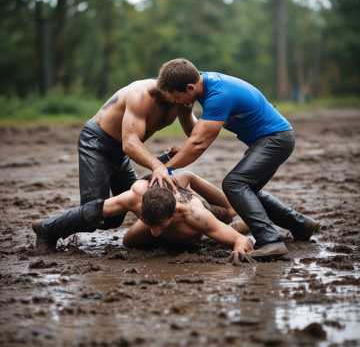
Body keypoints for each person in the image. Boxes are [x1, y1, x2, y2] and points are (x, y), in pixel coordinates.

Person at [152, 58, 320, 255]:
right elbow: (195, 135)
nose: (175, 103)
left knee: (234, 184)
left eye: (176, 98)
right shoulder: (202, 83)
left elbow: (199, 143)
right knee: (247, 192)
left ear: (189, 88)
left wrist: (165, 168)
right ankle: (301, 225)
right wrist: (185, 113)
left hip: (275, 139)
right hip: (271, 138)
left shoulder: (219, 95)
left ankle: (270, 241)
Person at [33, 78, 202, 243]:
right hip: (97, 143)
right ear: (171, 90)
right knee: (94, 217)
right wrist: (157, 165)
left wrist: (186, 118)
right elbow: (129, 144)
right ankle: (46, 229)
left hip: (120, 153)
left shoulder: (181, 100)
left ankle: (149, 182)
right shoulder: (141, 94)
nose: (192, 98)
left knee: (115, 218)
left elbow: (195, 134)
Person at [33, 172, 257, 263]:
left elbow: (239, 240)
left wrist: (239, 248)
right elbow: (94, 210)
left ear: (173, 214)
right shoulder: (136, 195)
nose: (154, 231)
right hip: (165, 207)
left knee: (228, 216)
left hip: (195, 227)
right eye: (151, 224)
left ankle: (253, 219)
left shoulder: (195, 214)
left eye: (159, 226)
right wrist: (51, 228)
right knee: (128, 241)